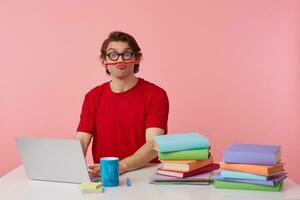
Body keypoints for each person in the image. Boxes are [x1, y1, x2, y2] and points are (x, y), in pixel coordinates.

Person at [75, 31, 169, 177]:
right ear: (103, 61)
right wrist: (70, 168)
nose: (120, 60)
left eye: (126, 54)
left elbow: (153, 144)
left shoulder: (156, 95)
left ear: (137, 58)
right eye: (113, 55)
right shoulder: (92, 96)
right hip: (105, 176)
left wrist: (122, 166)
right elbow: (81, 140)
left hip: (145, 176)